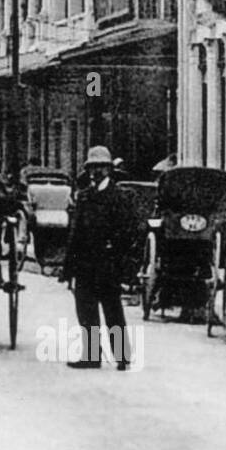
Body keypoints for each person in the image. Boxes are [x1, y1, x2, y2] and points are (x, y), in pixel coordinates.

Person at [61, 145, 134, 370]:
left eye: (100, 167)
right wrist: (68, 268)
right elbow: (75, 235)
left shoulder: (119, 197)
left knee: (113, 310)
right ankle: (91, 356)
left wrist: (119, 259)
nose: (96, 172)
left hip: (108, 263)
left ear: (109, 169)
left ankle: (122, 357)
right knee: (86, 311)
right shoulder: (84, 197)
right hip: (84, 264)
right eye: (92, 168)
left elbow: (129, 232)